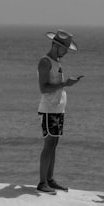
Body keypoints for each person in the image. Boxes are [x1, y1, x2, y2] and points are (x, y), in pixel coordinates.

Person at [36, 30, 83, 194]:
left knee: (54, 145)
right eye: (65, 48)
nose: (67, 52)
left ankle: (49, 179)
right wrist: (65, 84)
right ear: (56, 46)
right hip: (49, 110)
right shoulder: (45, 62)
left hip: (57, 109)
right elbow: (43, 88)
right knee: (48, 145)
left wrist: (66, 83)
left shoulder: (56, 62)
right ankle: (42, 182)